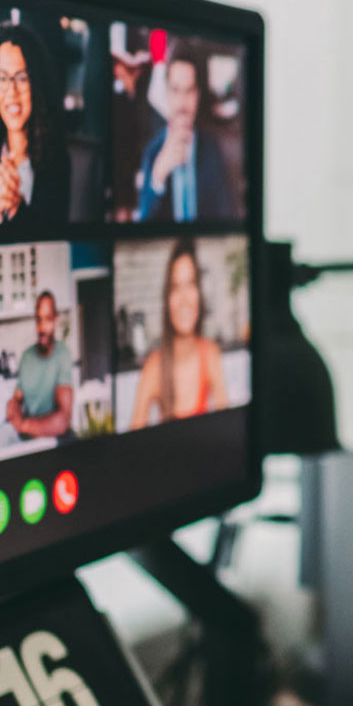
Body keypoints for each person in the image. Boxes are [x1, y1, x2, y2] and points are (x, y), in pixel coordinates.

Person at [0, 22, 69, 225]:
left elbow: (54, 238)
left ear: (36, 84)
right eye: (3, 78)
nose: (11, 92)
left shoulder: (57, 158)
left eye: (21, 78)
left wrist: (16, 208)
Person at [133, 47, 237, 223]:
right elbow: (142, 224)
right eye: (175, 90)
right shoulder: (152, 152)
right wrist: (158, 177)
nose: (182, 102)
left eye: (189, 91)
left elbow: (227, 217)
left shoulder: (213, 148)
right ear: (166, 93)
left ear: (197, 95)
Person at [133, 240, 228, 424]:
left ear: (199, 293)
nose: (184, 298)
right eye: (176, 287)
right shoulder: (154, 367)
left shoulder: (210, 355)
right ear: (167, 299)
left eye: (190, 284)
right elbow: (129, 445)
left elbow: (228, 429)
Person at [0, 291, 73, 439]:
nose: (42, 327)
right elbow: (16, 401)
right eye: (39, 319)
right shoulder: (26, 357)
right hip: (30, 439)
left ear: (55, 318)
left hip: (57, 440)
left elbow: (63, 422)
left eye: (48, 319)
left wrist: (24, 425)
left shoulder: (63, 353)